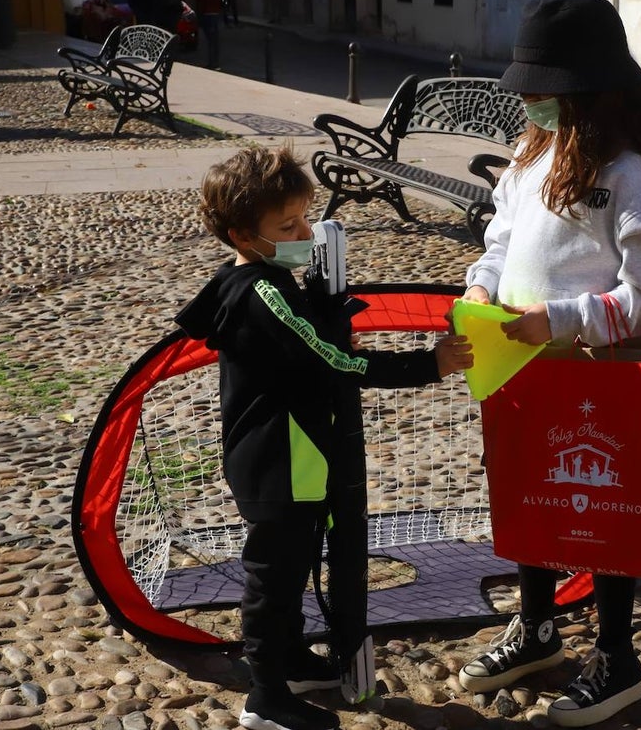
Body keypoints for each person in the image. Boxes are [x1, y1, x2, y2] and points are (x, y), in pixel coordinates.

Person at [457, 0, 641, 728]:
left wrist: (560, 319)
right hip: (523, 367)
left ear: (588, 89)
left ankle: (617, 653)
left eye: (543, 88)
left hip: (601, 374)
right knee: (531, 495)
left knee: (603, 509)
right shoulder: (534, 151)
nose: (528, 100)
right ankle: (536, 628)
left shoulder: (635, 171)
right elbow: (503, 235)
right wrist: (482, 282)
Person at [175, 146, 473, 730]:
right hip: (278, 460)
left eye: (305, 219)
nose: (304, 233)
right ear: (242, 235)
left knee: (295, 560)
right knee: (274, 575)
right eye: (287, 227)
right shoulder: (261, 292)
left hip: (302, 458)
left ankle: (286, 659)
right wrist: (425, 366)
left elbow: (312, 347)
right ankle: (264, 697)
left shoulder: (274, 278)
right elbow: (331, 361)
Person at [188, 0, 222, 69]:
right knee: (213, 40)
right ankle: (214, 62)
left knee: (210, 39)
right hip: (214, 13)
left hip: (206, 12)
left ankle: (213, 63)